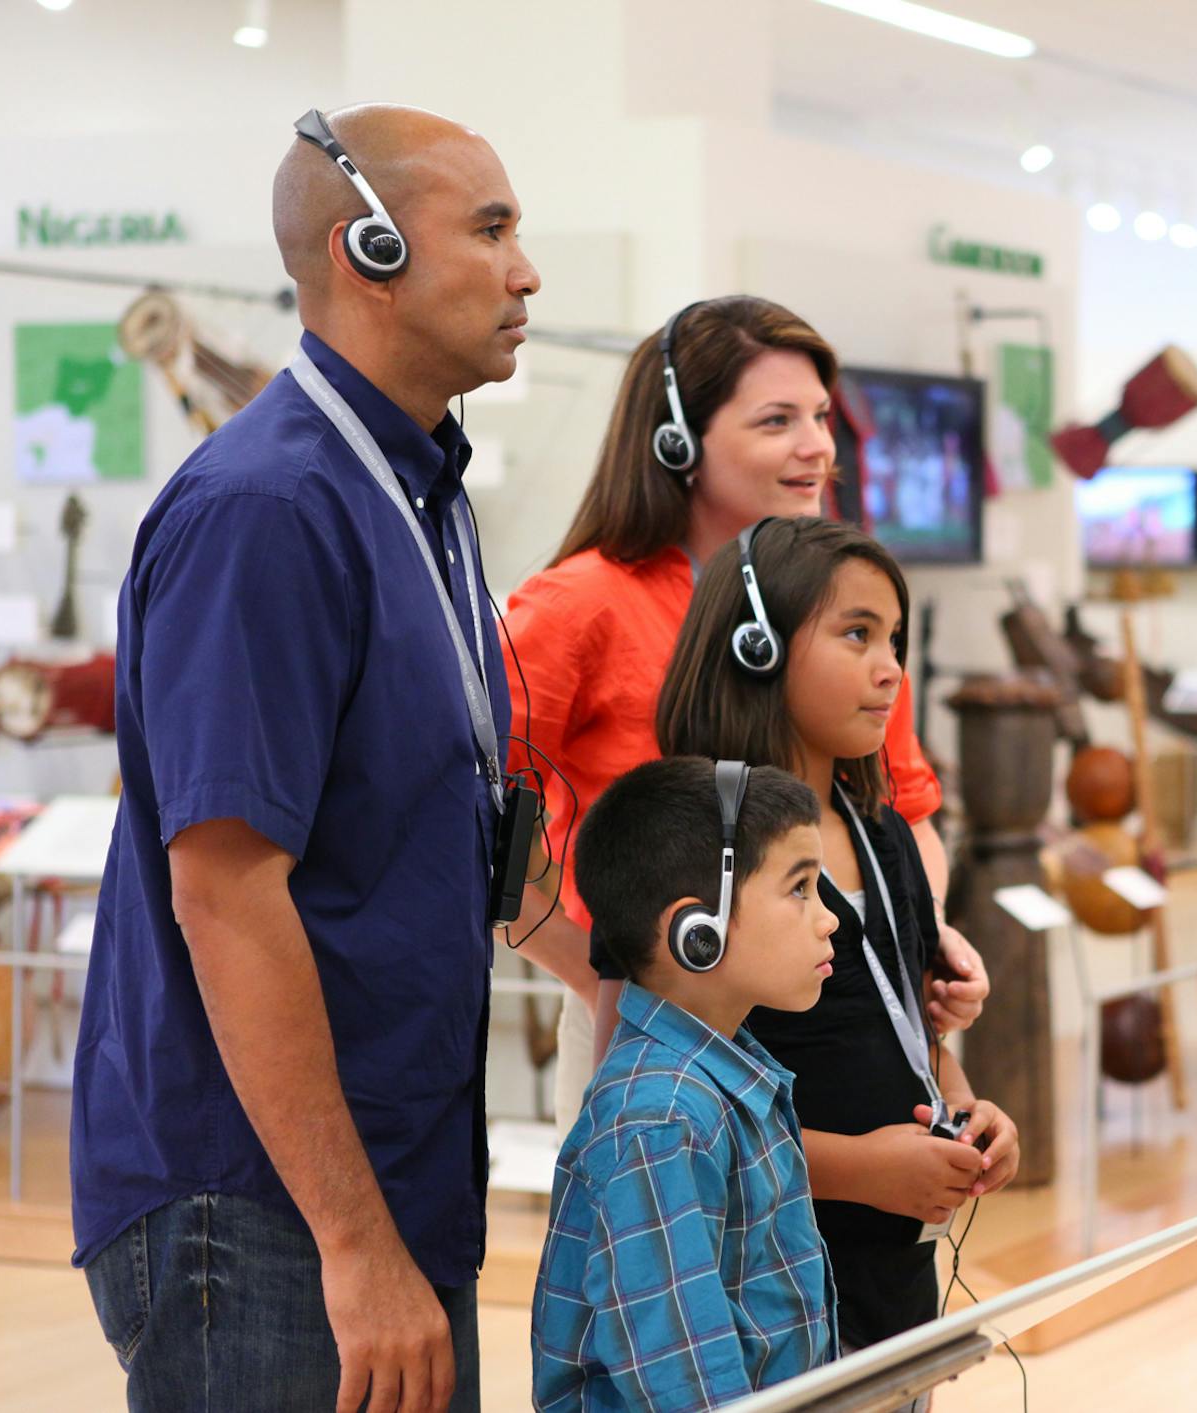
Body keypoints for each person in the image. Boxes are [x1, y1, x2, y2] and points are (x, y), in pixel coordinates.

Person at [71, 103, 591, 1413]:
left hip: (384, 1182)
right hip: (266, 1217)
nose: (526, 270)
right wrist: (355, 1246)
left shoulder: (419, 493)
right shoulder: (268, 508)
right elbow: (225, 892)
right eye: (491, 228)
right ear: (364, 245)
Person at [500, 295, 986, 1125]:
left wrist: (920, 939)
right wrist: (598, 972)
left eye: (822, 417)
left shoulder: (845, 604)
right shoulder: (581, 604)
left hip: (848, 1020)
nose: (817, 447)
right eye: (776, 421)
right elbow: (482, 823)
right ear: (677, 441)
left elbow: (903, 811)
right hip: (656, 1029)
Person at [658, 517, 1022, 1362]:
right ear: (759, 646)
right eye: (857, 634)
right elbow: (668, 1104)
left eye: (895, 638)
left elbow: (913, 1028)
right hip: (757, 1280)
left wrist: (965, 1111)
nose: (890, 667)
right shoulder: (696, 849)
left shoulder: (885, 835)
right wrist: (859, 1168)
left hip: (892, 1274)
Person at [532, 758, 839, 1411]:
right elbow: (689, 1384)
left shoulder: (721, 1077)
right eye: (800, 888)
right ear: (694, 933)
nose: (828, 917)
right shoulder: (661, 1118)